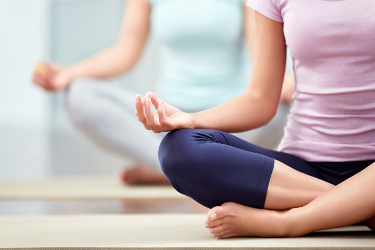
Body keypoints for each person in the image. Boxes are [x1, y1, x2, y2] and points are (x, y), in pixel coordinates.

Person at [134, 0, 375, 238]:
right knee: (179, 149)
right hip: (300, 174)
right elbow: (260, 101)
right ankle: (359, 207)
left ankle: (289, 221)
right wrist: (191, 119)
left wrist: (286, 222)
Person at [32, 0, 294, 185]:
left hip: (230, 120)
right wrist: (67, 74)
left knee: (283, 108)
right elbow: (124, 53)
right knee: (79, 94)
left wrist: (290, 86)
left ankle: (175, 167)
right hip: (167, 120)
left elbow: (259, 55)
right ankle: (185, 166)